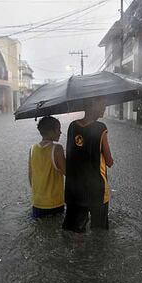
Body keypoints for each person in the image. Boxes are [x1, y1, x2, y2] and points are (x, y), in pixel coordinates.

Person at [62, 97, 114, 232]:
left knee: (76, 230)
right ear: (92, 106)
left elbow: (71, 155)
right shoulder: (100, 128)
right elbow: (109, 162)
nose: (104, 108)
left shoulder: (72, 126)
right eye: (102, 104)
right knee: (99, 229)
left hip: (74, 189)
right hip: (96, 189)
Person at [29, 116, 66, 218]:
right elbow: (67, 172)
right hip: (54, 202)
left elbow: (30, 176)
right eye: (58, 129)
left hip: (37, 202)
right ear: (51, 131)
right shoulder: (57, 148)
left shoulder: (32, 149)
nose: (60, 132)